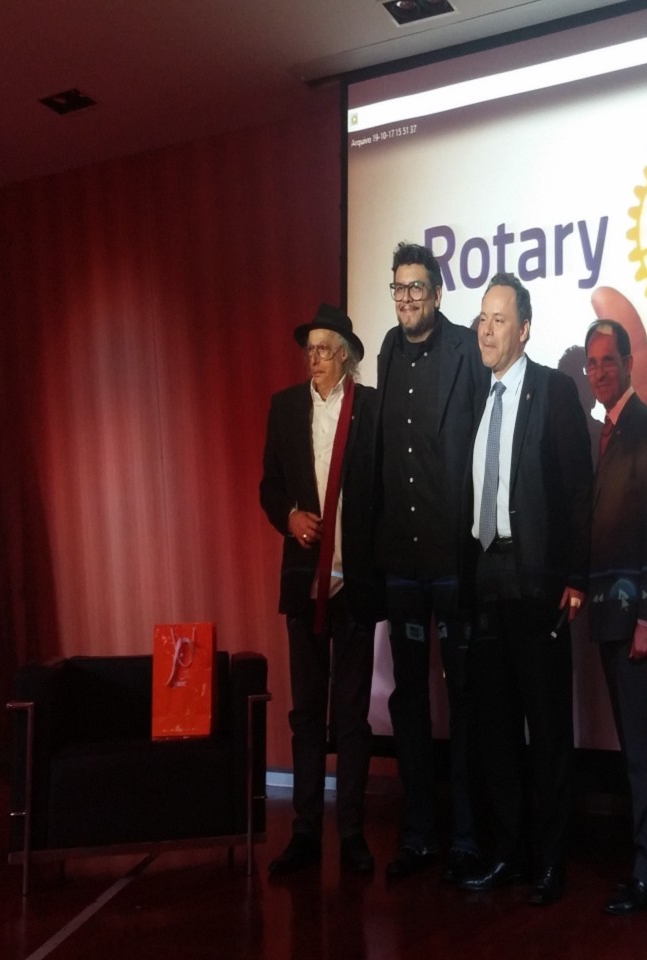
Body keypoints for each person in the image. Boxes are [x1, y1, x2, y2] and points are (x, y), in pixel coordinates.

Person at [459, 273, 591, 906]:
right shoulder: (476, 398)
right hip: (487, 581)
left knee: (548, 729)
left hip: (538, 582)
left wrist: (576, 578)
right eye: (482, 319)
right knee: (497, 730)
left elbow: (578, 493)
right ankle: (509, 855)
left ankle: (550, 860)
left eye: (499, 320)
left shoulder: (553, 391)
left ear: (525, 328)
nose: (486, 331)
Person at [260, 304, 383, 877]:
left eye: (324, 350)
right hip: (303, 585)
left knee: (352, 717)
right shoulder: (285, 407)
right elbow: (269, 487)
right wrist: (289, 517)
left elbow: (383, 491)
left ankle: (352, 832)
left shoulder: (371, 409)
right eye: (309, 349)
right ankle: (305, 831)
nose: (314, 359)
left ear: (346, 356)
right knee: (307, 714)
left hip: (354, 586)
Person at [375, 242, 484, 882]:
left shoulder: (466, 349)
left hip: (454, 559)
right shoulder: (386, 351)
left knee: (467, 699)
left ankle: (466, 837)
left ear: (438, 293)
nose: (407, 298)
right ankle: (418, 833)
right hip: (403, 564)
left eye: (417, 287)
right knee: (409, 702)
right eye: (399, 288)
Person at [583, 319, 647, 914]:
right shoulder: (607, 431)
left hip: (633, 621)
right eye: (592, 363)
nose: (599, 372)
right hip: (608, 617)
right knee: (634, 749)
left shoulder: (644, 427)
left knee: (643, 753)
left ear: (628, 364)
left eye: (608, 361)